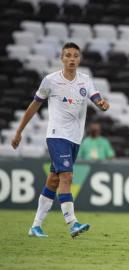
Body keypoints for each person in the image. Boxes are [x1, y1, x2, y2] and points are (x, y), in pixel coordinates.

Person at [11, 42, 110, 238]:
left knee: (54, 179)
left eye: (75, 55)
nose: (72, 59)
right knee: (67, 177)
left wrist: (102, 104)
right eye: (68, 55)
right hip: (56, 135)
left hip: (74, 138)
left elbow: (97, 99)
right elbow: (34, 106)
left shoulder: (85, 80)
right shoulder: (50, 81)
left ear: (79, 59)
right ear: (62, 58)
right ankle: (72, 223)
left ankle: (36, 226)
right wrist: (19, 131)